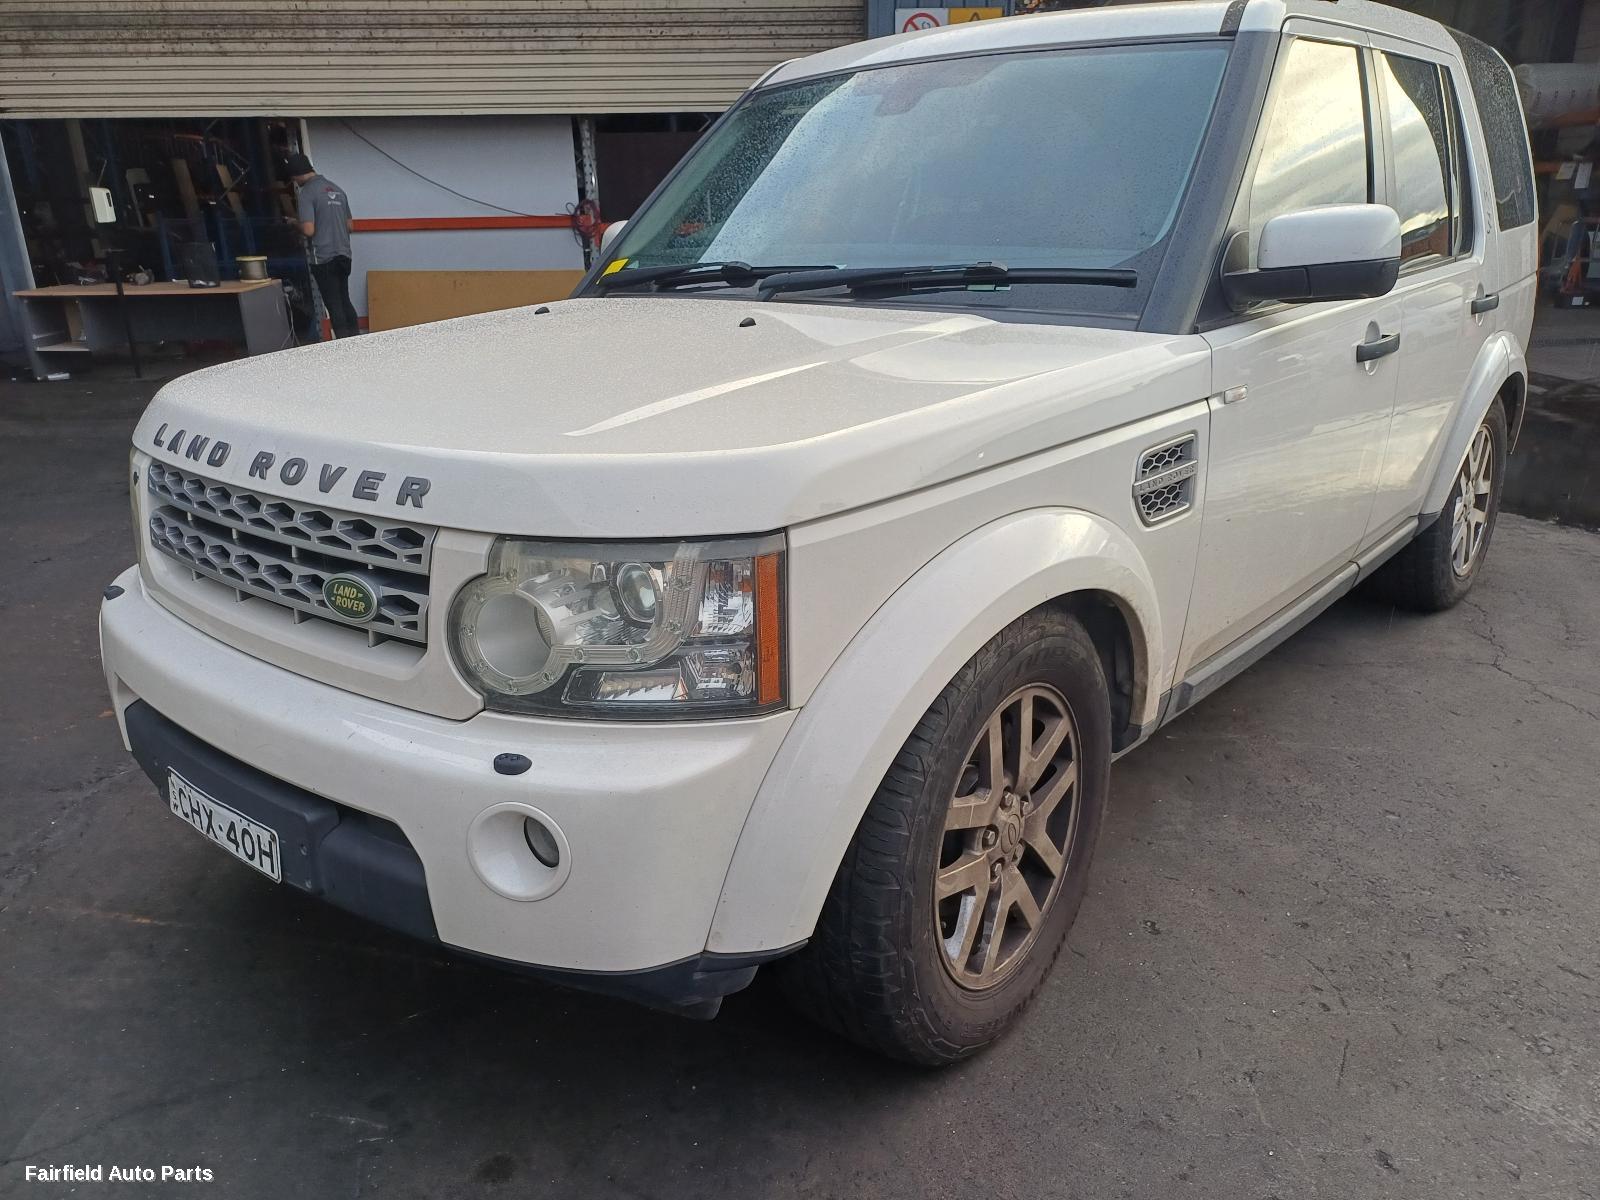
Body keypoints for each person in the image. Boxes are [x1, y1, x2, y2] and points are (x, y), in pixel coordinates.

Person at [287, 153, 359, 339]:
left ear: (296, 175)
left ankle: (344, 348)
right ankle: (357, 342)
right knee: (345, 300)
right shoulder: (338, 190)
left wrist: (294, 223)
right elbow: (350, 226)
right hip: (344, 254)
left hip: (323, 257)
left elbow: (309, 230)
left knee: (334, 304)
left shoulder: (307, 194)